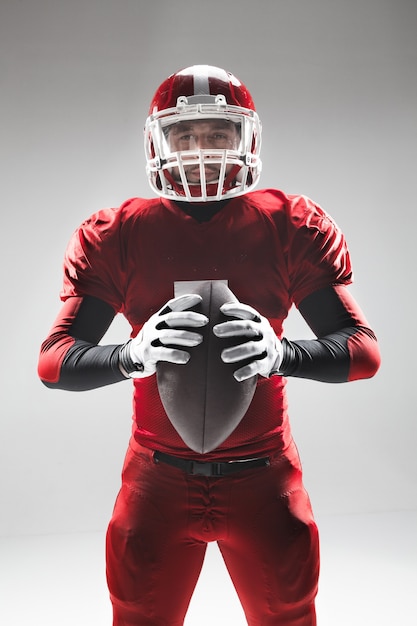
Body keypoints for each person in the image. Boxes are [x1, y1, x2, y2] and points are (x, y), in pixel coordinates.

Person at [38, 64, 381, 626]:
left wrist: (282, 354)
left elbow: (364, 352)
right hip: (157, 478)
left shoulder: (288, 224)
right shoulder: (121, 232)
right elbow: (54, 362)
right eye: (186, 135)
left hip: (264, 476)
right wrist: (132, 355)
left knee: (289, 616)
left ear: (246, 139)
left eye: (218, 134)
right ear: (158, 142)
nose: (202, 150)